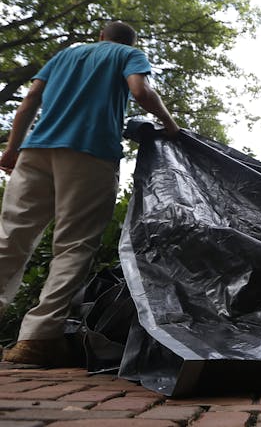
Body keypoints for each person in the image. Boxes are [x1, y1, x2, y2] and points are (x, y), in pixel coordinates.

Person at [0, 21, 180, 367]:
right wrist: (170, 126)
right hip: (90, 154)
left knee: (10, 239)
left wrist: (12, 150)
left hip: (35, 151)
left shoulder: (65, 56)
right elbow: (141, 92)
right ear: (130, 43)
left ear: (100, 36)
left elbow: (29, 102)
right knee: (73, 246)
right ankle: (37, 339)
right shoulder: (129, 55)